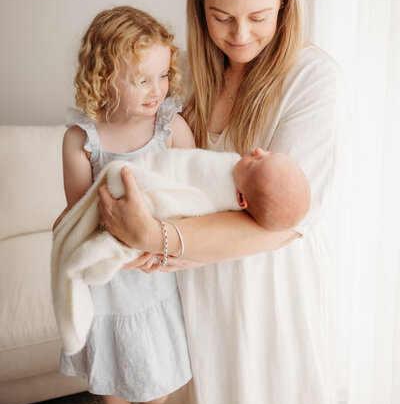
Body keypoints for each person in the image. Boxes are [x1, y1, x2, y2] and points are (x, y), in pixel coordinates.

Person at [97, 0, 344, 404]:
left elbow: (284, 226)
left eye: (259, 16)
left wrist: (153, 237)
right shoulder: (184, 79)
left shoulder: (312, 78)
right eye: (221, 17)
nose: (241, 35)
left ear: (285, 3)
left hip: (267, 294)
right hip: (194, 286)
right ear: (199, 6)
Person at [54, 6, 195, 404]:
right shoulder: (83, 140)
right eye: (141, 80)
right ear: (103, 77)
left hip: (157, 279)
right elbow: (82, 218)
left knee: (158, 385)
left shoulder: (170, 128)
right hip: (110, 286)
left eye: (164, 76)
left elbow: (192, 196)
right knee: (112, 384)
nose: (157, 89)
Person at [52, 145, 311, 358]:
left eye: (257, 161)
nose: (256, 150)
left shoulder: (224, 190)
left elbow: (188, 194)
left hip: (146, 194)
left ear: (241, 200)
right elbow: (184, 161)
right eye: (267, 152)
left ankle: (84, 255)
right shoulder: (234, 170)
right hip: (142, 185)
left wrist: (149, 234)